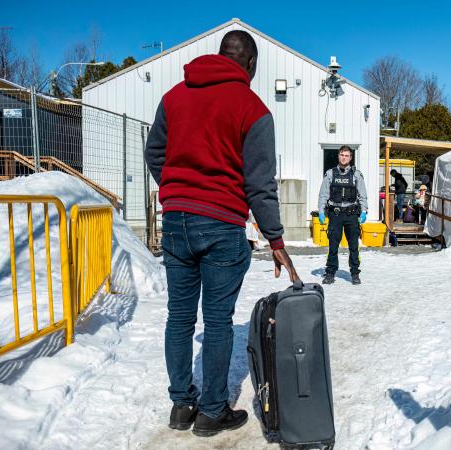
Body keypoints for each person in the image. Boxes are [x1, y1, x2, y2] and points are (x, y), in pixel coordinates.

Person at [144, 30, 299, 438]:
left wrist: (177, 190)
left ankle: (181, 405)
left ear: (219, 56)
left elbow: (153, 153)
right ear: (250, 65)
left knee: (179, 317)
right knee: (216, 321)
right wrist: (276, 241)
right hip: (221, 224)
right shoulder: (253, 108)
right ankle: (212, 412)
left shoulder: (174, 97)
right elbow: (260, 185)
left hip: (176, 220)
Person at [317, 145, 368, 285]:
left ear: (351, 158)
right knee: (333, 245)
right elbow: (323, 195)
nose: (344, 157)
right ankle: (330, 272)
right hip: (335, 214)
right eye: (341, 155)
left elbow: (363, 195)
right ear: (338, 156)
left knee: (353, 246)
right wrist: (321, 212)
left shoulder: (356, 175)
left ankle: (355, 273)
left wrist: (364, 211)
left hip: (351, 214)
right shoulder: (330, 174)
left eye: (346, 155)